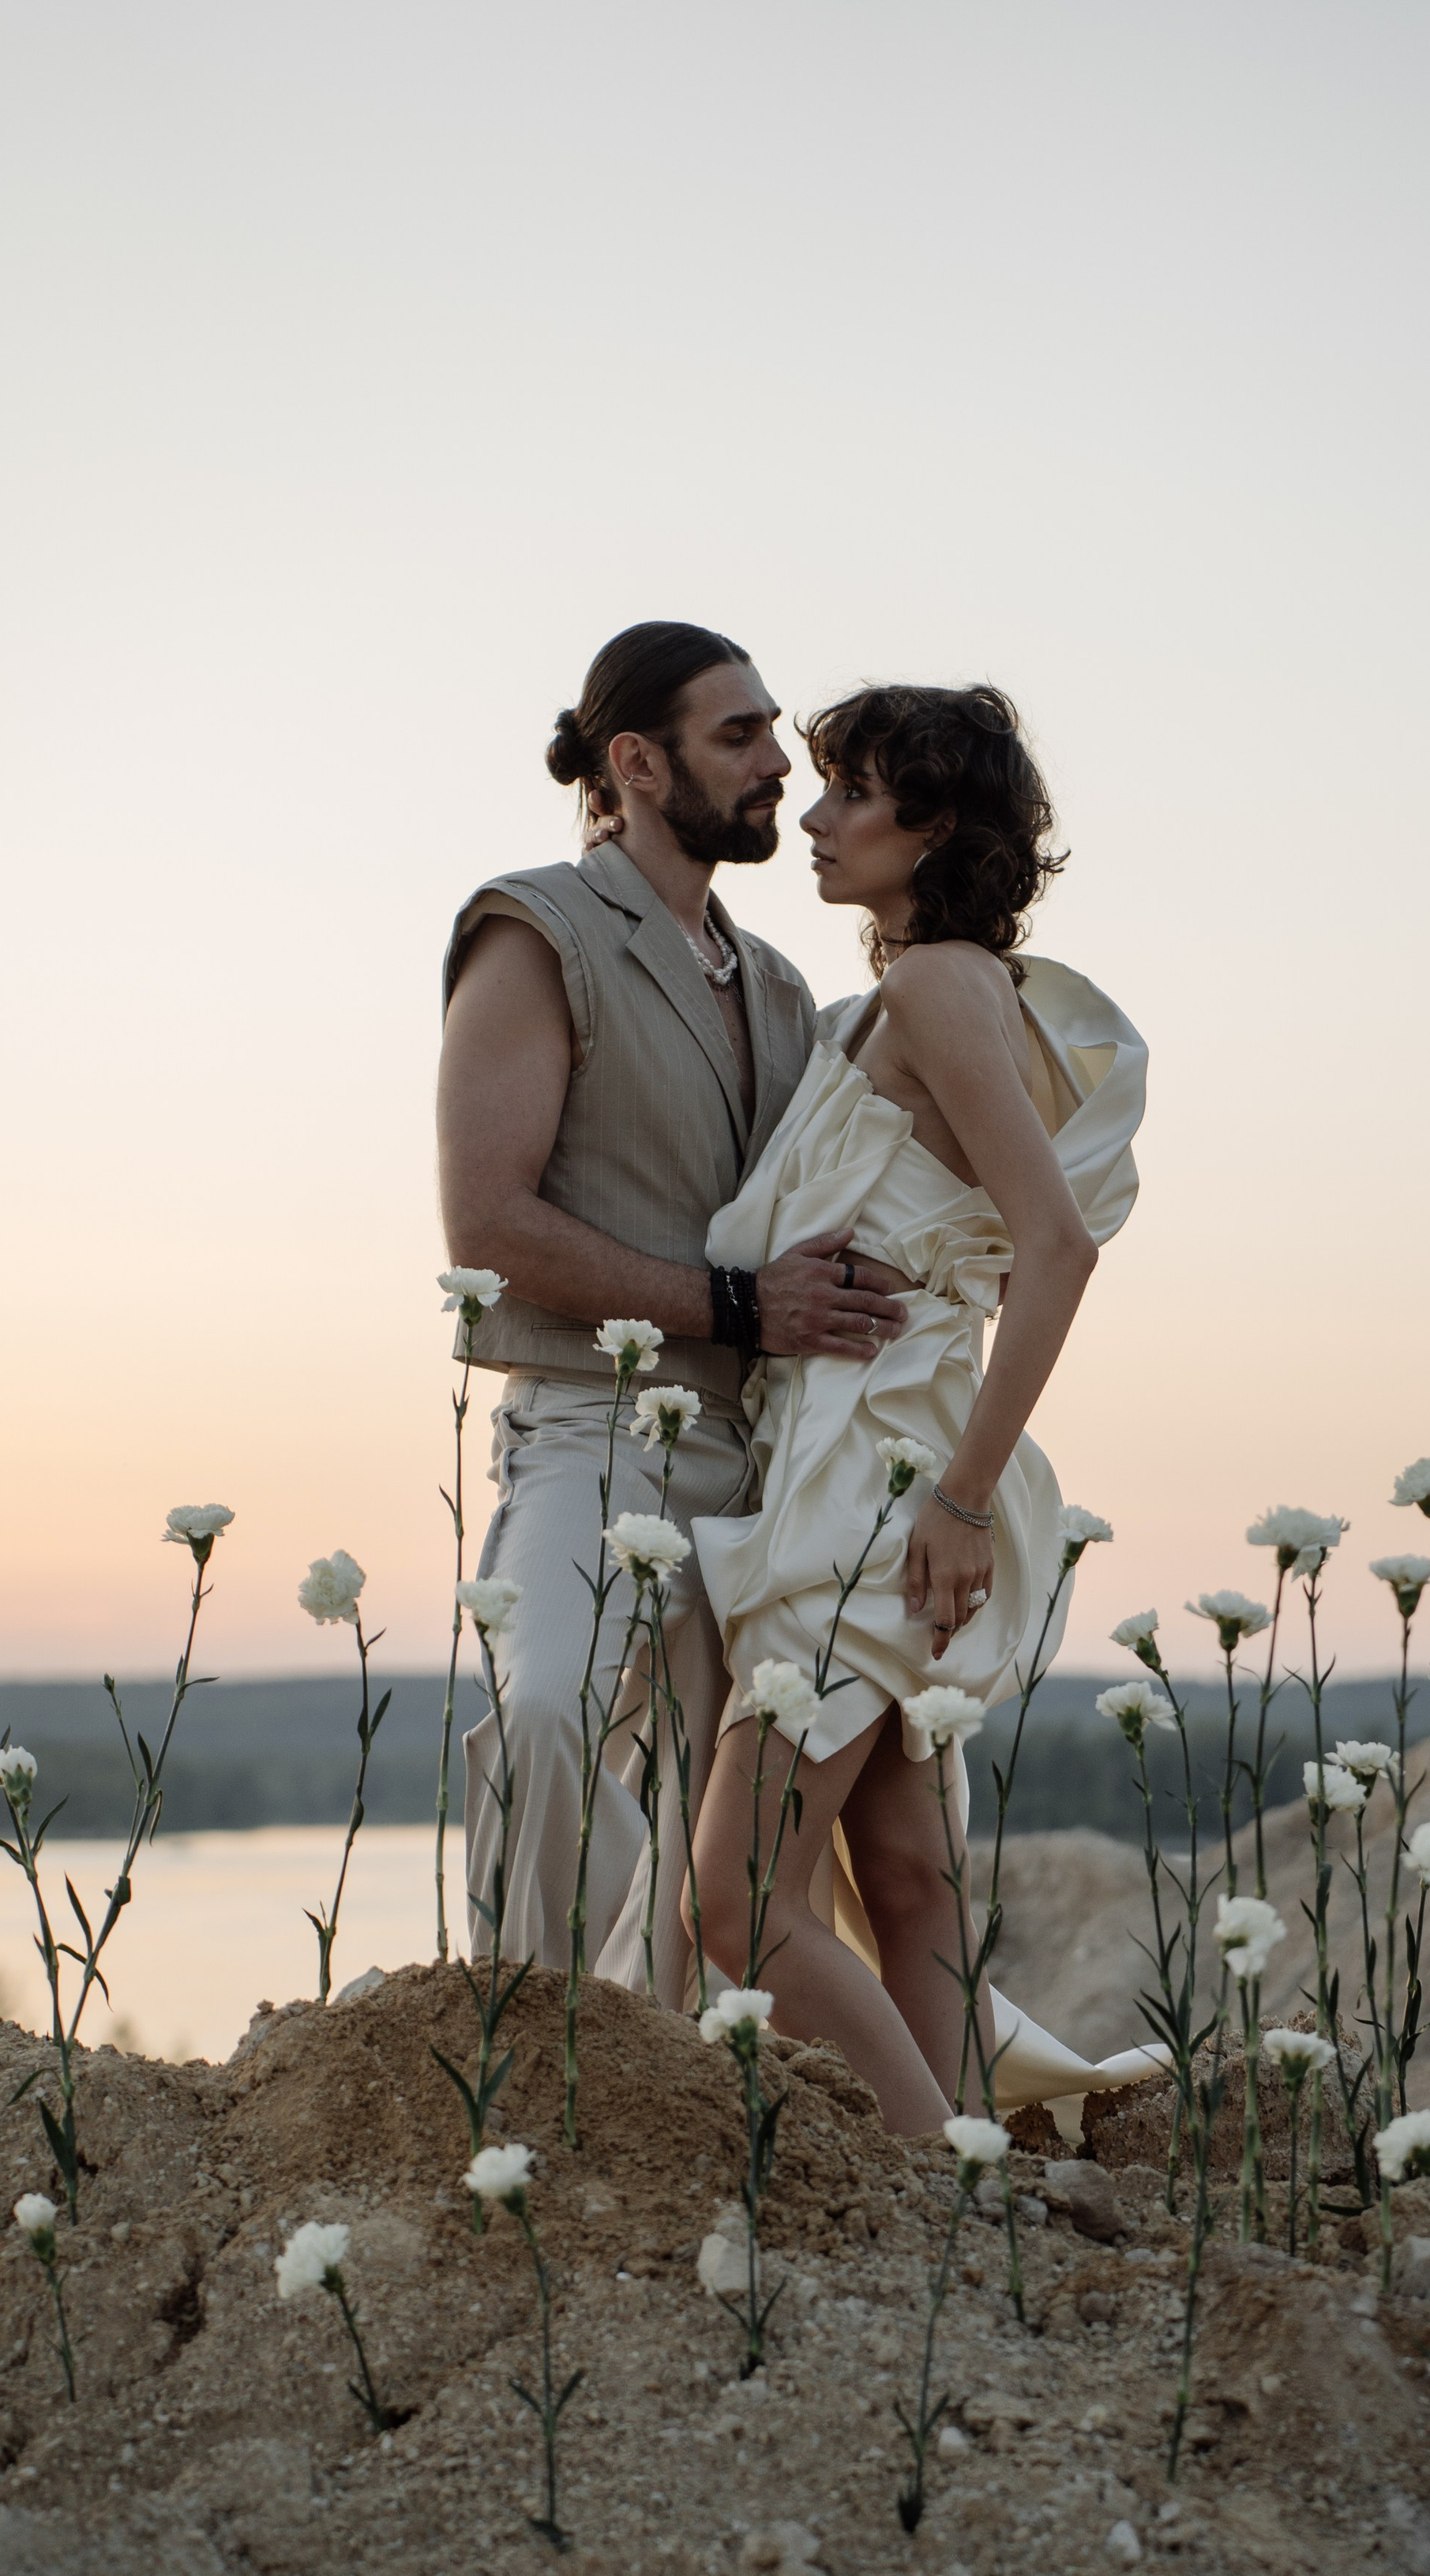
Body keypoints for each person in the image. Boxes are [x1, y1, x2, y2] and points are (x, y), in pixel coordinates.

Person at [688, 683, 1156, 2132]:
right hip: (870, 1460)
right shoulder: (920, 995)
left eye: (852, 795)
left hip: (874, 1481)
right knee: (906, 1885)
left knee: (738, 1902)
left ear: (934, 825)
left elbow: (1058, 1248)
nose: (814, 821)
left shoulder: (943, 984)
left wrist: (960, 1500)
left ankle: (934, 2194)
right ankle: (976, 2198)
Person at [436, 621, 909, 1988]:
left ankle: (684, 2120)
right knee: (545, 1718)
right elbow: (489, 1223)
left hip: (767, 1461)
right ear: (637, 764)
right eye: (740, 736)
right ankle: (529, 2061)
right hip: (589, 1429)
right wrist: (741, 1303)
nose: (779, 764)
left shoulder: (779, 987)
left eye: (773, 734)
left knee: (730, 1843)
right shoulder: (536, 928)